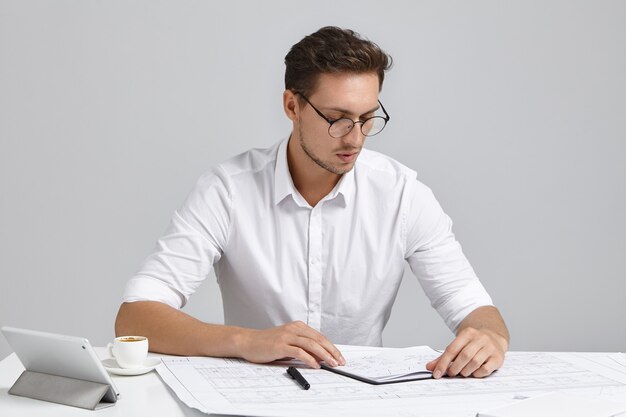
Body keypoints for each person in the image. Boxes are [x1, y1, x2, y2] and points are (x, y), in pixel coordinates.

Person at [115, 26, 509, 379]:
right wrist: (247, 341)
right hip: (254, 399)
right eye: (337, 118)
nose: (355, 138)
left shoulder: (403, 194)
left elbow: (475, 309)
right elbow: (136, 316)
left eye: (368, 117)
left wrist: (489, 338)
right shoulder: (228, 190)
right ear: (292, 106)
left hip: (363, 401)